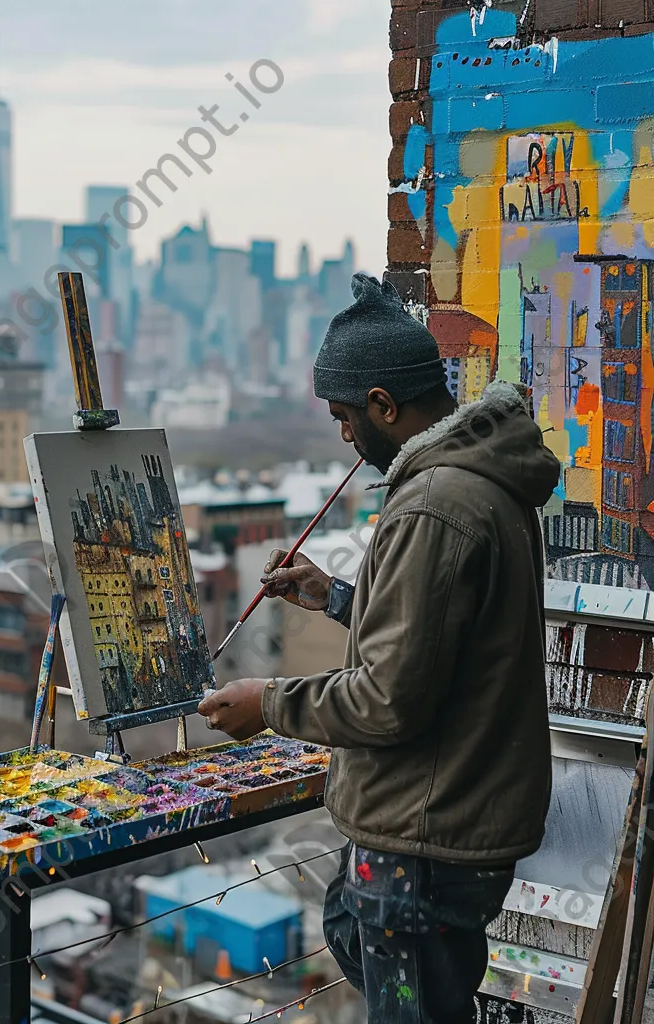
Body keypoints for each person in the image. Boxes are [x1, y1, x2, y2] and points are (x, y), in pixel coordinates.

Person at [197, 273, 561, 1024]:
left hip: (426, 834)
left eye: (343, 416)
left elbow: (390, 698)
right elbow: (441, 643)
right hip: (444, 821)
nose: (343, 436)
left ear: (384, 407)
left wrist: (266, 703)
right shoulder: (480, 483)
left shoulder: (434, 504)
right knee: (351, 927)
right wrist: (333, 596)